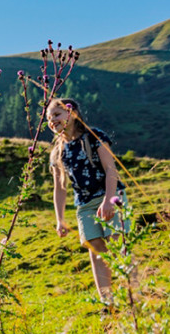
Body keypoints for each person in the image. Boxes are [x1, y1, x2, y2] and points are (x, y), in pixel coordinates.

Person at [47, 97, 130, 307]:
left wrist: (109, 201)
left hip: (110, 196)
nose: (52, 121)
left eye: (56, 115)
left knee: (118, 245)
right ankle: (108, 304)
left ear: (71, 113)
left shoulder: (94, 136)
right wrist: (60, 220)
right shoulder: (57, 151)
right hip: (84, 206)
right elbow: (60, 188)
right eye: (49, 118)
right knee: (96, 251)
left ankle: (131, 296)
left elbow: (111, 169)